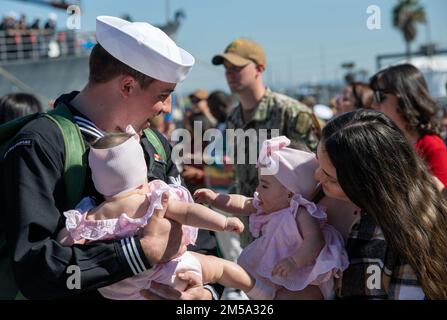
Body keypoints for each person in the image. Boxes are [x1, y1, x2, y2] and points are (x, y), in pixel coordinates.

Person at [0, 16, 220, 300]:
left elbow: (201, 239)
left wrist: (204, 293)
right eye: (163, 95)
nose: (167, 109)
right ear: (127, 86)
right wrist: (137, 253)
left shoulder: (155, 145)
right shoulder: (41, 145)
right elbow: (34, 269)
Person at [56, 130, 249, 299]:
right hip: (167, 276)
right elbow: (190, 212)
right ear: (142, 176)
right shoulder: (152, 200)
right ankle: (257, 290)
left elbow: (66, 242)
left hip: (119, 289)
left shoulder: (90, 214)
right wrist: (223, 222)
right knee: (220, 267)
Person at [315, 109, 447, 299]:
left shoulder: (388, 234)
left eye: (331, 178)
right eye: (317, 164)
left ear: (367, 184)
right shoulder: (421, 197)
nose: (317, 176)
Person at [194, 136, 349, 300]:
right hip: (277, 269)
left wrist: (294, 262)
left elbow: (315, 241)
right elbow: (241, 203)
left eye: (265, 185)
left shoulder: (301, 212)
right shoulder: (265, 204)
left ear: (290, 192)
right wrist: (215, 198)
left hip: (306, 274)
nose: (258, 189)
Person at [212, 38, 320, 247]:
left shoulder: (290, 112)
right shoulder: (234, 118)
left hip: (291, 233)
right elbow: (239, 173)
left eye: (237, 67)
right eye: (226, 69)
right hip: (252, 226)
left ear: (259, 69)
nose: (230, 74)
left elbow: (316, 172)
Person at [370, 64, 447, 188]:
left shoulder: (433, 147)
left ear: (404, 97)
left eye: (379, 96)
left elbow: (439, 204)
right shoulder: (389, 142)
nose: (373, 104)